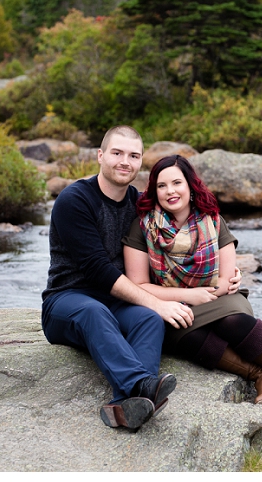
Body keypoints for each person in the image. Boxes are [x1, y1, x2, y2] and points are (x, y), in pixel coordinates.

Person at [41, 126, 241, 431]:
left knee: (148, 319)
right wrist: (158, 302)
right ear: (100, 155)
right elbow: (97, 269)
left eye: (133, 155)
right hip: (66, 301)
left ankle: (127, 407)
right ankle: (143, 385)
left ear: (140, 162)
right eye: (117, 153)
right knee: (97, 311)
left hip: (116, 300)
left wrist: (226, 273)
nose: (125, 161)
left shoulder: (139, 203)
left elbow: (185, 231)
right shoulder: (75, 200)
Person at [122, 155, 262, 421]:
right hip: (172, 304)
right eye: (161, 186)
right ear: (153, 190)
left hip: (221, 297)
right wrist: (188, 295)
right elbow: (138, 285)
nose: (170, 191)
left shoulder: (212, 220)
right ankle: (260, 375)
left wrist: (207, 293)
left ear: (191, 186)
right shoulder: (142, 227)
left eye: (177, 183)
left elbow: (226, 281)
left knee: (231, 321)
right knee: (184, 332)